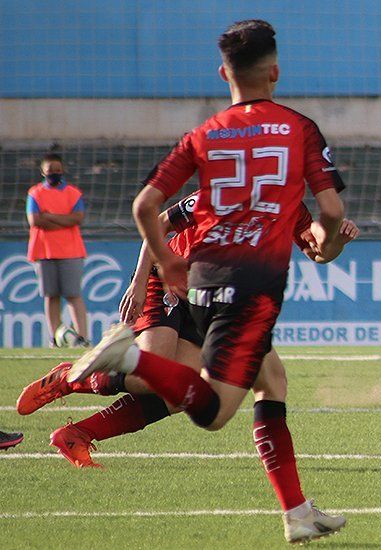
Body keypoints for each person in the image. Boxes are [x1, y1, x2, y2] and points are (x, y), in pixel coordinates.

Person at [63, 20, 348, 543]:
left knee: (272, 381)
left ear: (224, 74)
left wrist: (168, 265)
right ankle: (129, 360)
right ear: (275, 71)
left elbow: (145, 205)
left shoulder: (205, 134)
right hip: (254, 284)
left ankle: (299, 512)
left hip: (203, 278)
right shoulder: (298, 129)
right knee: (214, 413)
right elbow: (329, 210)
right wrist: (332, 236)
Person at [17, 191, 358, 469]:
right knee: (151, 376)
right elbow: (160, 224)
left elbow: (318, 253)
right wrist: (138, 282)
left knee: (180, 392)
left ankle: (79, 433)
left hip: (211, 299)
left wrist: (337, 243)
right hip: (167, 282)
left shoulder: (290, 207)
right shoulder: (225, 193)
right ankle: (70, 377)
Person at [26, 153, 90, 347]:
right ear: (43, 172)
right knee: (50, 295)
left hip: (71, 250)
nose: (54, 173)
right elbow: (35, 220)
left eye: (57, 170)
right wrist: (64, 219)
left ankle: (82, 337)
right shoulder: (35, 193)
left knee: (73, 295)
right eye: (50, 170)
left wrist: (50, 216)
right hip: (44, 251)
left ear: (62, 171)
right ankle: (55, 337)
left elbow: (77, 218)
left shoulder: (73, 193)